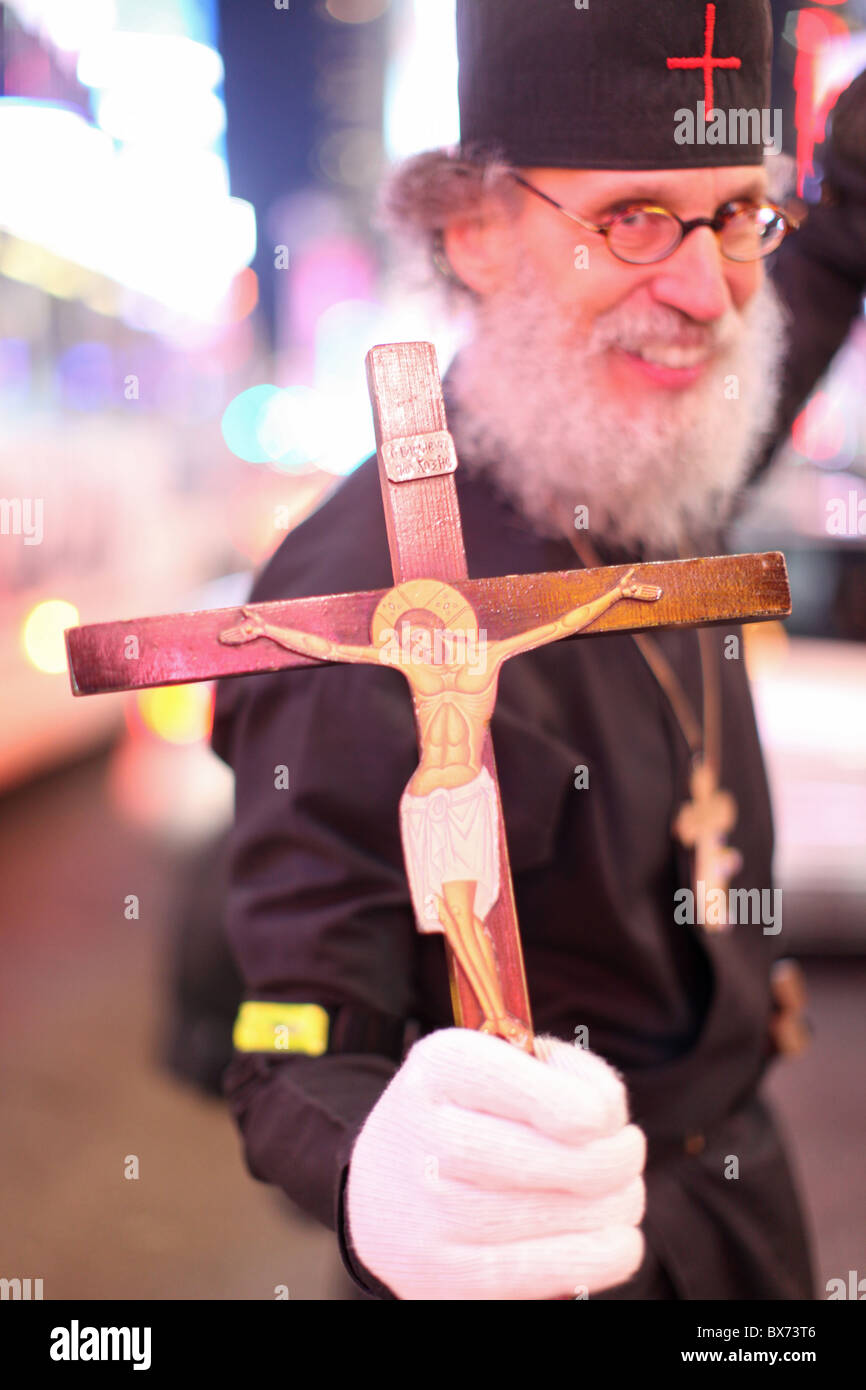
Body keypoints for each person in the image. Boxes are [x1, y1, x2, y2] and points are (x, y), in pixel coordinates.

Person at [211, 1, 866, 1300]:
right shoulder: (369, 597)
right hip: (548, 1260)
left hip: (741, 1202)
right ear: (474, 233)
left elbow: (830, 247)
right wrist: (376, 1167)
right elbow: (294, 1042)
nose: (706, 293)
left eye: (735, 214)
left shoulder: (655, 434)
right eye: (629, 218)